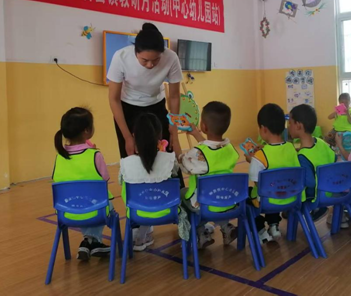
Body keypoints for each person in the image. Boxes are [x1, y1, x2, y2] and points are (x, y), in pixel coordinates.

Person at [107, 23, 184, 185]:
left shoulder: (171, 58)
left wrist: (174, 129)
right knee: (132, 156)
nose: (150, 65)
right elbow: (114, 99)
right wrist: (127, 136)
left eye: (156, 60)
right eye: (144, 60)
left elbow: (174, 96)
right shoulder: (121, 57)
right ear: (135, 51)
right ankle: (136, 196)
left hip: (157, 106)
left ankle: (175, 195)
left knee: (167, 152)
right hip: (128, 109)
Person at [172, 101, 239, 249]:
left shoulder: (197, 153)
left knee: (181, 195)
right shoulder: (230, 149)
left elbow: (182, 162)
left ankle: (201, 233)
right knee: (216, 199)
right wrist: (196, 134)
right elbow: (211, 151)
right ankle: (226, 227)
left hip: (203, 204)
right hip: (228, 199)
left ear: (204, 126)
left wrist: (174, 139)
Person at [53, 107, 112, 260]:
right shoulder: (95, 155)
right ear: (87, 131)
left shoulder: (59, 157)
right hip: (95, 211)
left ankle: (88, 241)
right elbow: (105, 180)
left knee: (84, 202)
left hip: (66, 212)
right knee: (100, 203)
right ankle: (93, 242)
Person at [119, 113, 179, 251]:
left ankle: (140, 235)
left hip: (136, 213)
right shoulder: (169, 160)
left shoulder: (126, 164)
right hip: (168, 212)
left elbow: (123, 186)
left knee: (145, 200)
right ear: (160, 136)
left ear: (134, 136)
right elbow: (175, 173)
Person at [247, 103, 300, 243]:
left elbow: (258, 185)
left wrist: (252, 160)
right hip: (291, 197)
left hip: (268, 201)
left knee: (247, 197)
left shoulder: (260, 156)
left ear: (263, 129)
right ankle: (274, 224)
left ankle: (260, 230)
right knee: (276, 186)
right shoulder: (291, 148)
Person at [288, 104, 335, 221]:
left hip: (315, 196)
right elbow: (333, 158)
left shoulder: (302, 156)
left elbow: (309, 182)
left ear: (298, 125)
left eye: (290, 123)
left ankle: (314, 209)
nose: (288, 127)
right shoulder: (321, 142)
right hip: (331, 189)